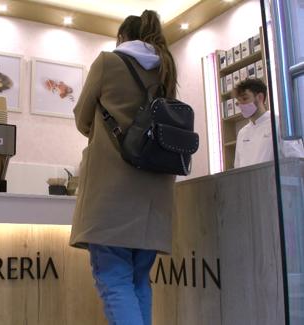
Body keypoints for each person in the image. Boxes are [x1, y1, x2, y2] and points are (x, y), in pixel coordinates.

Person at [69, 10, 177, 325]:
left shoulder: (107, 62)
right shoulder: (167, 67)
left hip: (112, 193)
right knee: (139, 281)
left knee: (113, 279)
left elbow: (82, 119)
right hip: (155, 195)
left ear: (122, 37)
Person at [233, 78, 304, 168]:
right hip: (250, 181)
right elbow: (238, 168)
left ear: (260, 97)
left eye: (245, 98)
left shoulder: (281, 124)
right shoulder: (242, 133)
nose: (241, 104)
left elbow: (297, 161)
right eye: (238, 101)